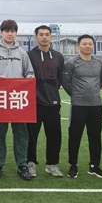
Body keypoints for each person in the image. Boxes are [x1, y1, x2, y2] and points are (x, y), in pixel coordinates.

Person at [0, 20, 35, 181]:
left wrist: (30, 77)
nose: (10, 33)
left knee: (21, 134)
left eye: (12, 31)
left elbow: (29, 72)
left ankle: (22, 165)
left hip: (18, 100)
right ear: (1, 32)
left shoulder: (22, 53)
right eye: (6, 31)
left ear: (16, 33)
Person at [63, 34, 102, 179]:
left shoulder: (99, 63)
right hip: (78, 106)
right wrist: (77, 95)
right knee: (75, 137)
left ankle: (94, 166)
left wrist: (92, 93)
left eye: (90, 44)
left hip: (96, 105)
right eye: (84, 44)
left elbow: (101, 81)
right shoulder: (71, 63)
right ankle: (73, 165)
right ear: (79, 46)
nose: (87, 46)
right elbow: (66, 82)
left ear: (93, 46)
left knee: (95, 137)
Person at [27, 25, 65, 178]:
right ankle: (30, 163)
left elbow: (60, 79)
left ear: (51, 37)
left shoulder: (58, 56)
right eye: (41, 34)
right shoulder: (29, 55)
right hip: (34, 103)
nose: (44, 37)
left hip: (53, 103)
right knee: (31, 136)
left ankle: (52, 164)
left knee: (54, 136)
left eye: (47, 34)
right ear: (36, 37)